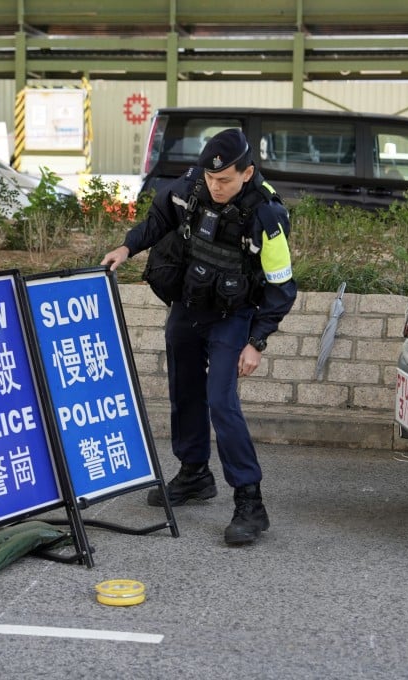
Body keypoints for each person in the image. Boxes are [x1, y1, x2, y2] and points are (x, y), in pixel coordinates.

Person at [101, 128, 297, 545]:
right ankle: (194, 474)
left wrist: (257, 341)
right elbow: (159, 220)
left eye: (224, 180)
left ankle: (250, 501)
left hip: (233, 316)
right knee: (184, 392)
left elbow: (282, 287)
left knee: (222, 402)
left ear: (246, 174)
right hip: (189, 307)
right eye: (211, 179)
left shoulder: (267, 215)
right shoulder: (192, 186)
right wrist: (126, 248)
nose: (215, 186)